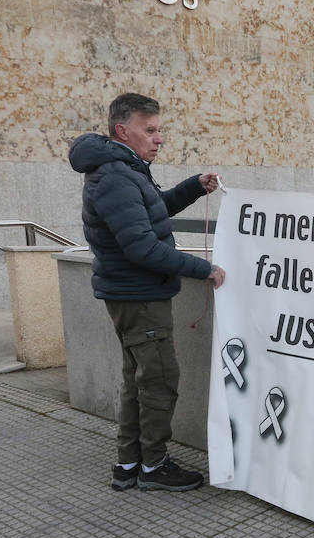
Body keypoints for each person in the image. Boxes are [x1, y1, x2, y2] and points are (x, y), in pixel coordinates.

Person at [69, 93, 226, 492]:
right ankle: (153, 466)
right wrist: (203, 269)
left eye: (159, 130)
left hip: (131, 294)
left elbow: (152, 210)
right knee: (157, 381)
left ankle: (129, 464)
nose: (159, 139)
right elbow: (141, 247)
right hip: (138, 296)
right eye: (150, 130)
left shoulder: (122, 170)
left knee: (138, 379)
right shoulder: (117, 176)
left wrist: (193, 188)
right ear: (123, 130)